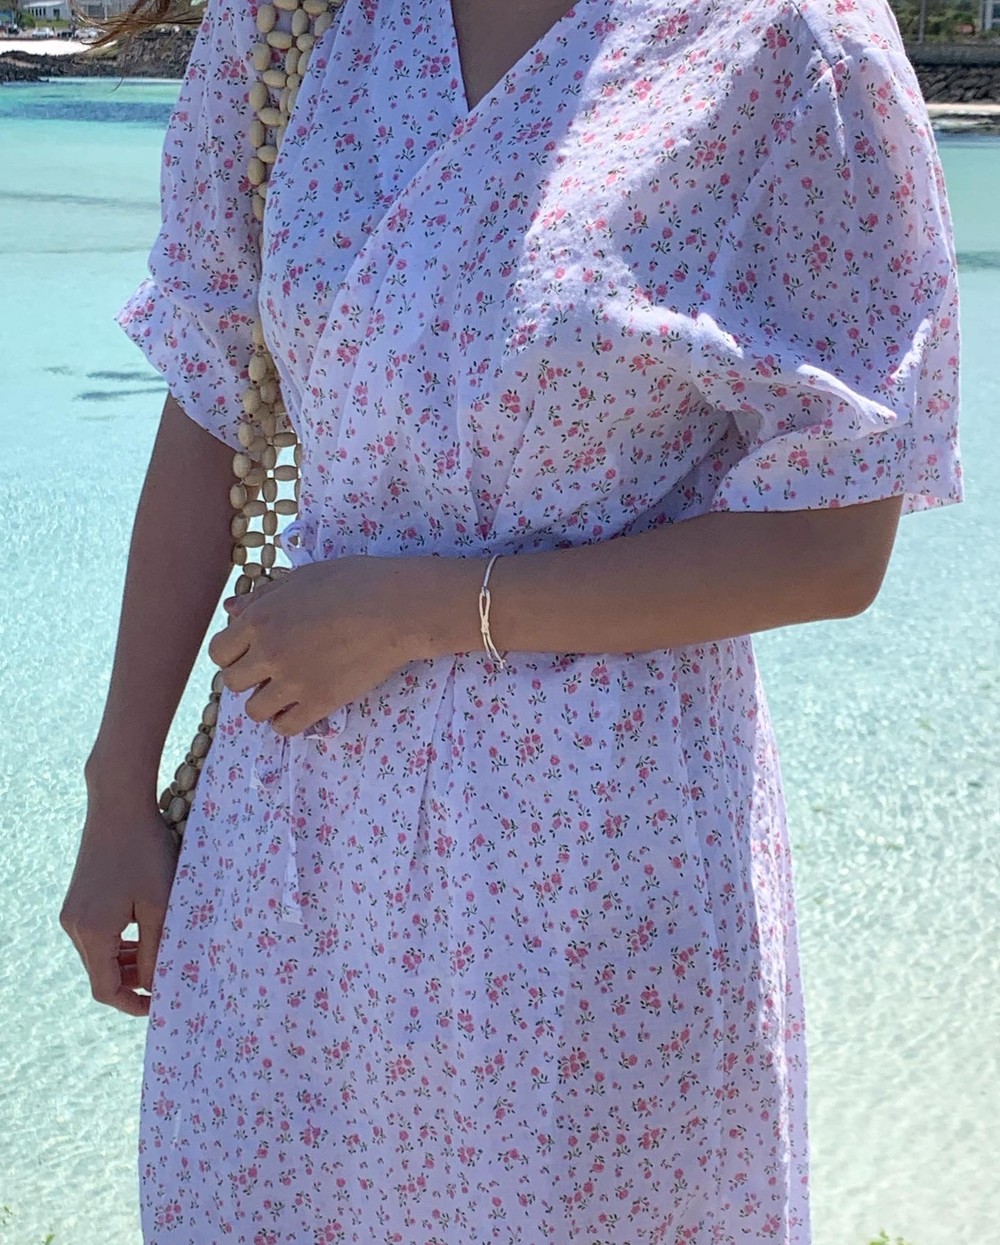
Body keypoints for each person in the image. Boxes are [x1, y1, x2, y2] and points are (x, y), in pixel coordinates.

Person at [60, 0, 962, 1240]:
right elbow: (216, 393)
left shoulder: (789, 43)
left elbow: (833, 544)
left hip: (596, 870)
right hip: (292, 845)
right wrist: (117, 792)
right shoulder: (290, 21)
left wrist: (421, 614)